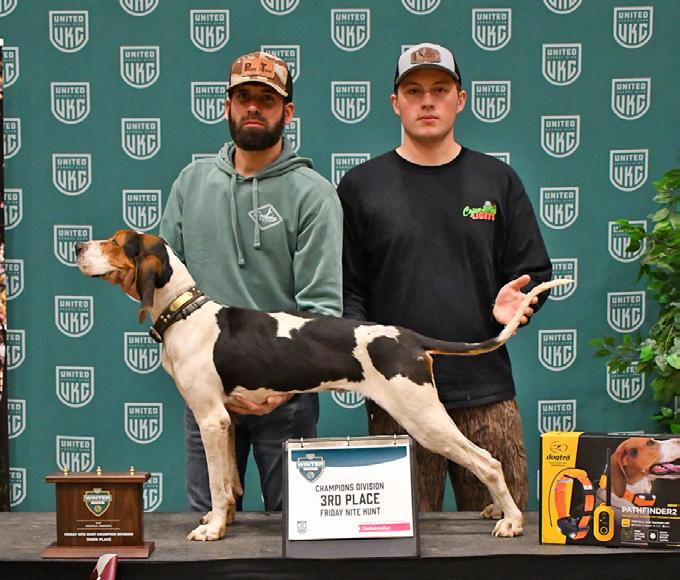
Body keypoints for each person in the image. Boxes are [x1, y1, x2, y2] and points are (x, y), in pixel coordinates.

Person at [113, 51, 342, 512]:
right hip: (207, 386)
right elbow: (162, 279)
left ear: (288, 112)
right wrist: (129, 280)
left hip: (284, 396)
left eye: (267, 99)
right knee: (208, 526)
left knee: (295, 527)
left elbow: (319, 310)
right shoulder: (190, 183)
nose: (253, 107)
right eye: (243, 98)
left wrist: (278, 388)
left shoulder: (314, 194)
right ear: (227, 107)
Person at [337, 42, 552, 513]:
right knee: (396, 543)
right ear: (395, 103)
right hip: (397, 398)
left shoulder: (497, 180)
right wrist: (364, 355)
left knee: (505, 539)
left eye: (440, 89)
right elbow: (348, 288)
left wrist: (518, 307)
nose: (427, 101)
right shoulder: (360, 186)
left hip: (487, 395)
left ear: (461, 99)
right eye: (414, 91)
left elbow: (533, 272)